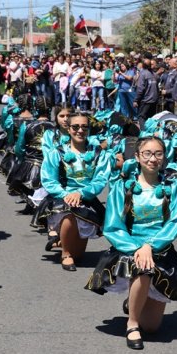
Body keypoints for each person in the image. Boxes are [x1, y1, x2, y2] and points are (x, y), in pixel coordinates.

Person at [86, 136, 177, 350]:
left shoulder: (176, 187)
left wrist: (150, 246)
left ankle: (135, 301)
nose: (152, 159)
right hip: (130, 249)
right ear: (137, 156)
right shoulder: (122, 187)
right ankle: (132, 323)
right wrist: (138, 247)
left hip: (160, 249)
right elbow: (113, 226)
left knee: (153, 328)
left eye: (158, 154)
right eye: (147, 153)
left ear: (164, 157)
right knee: (142, 267)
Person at [38, 113, 112, 271]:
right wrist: (66, 194)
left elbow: (100, 180)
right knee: (70, 212)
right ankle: (65, 253)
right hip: (62, 198)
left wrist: (82, 194)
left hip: (87, 198)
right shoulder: (56, 152)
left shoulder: (99, 154)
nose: (80, 130)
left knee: (78, 256)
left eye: (84, 127)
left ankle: (63, 242)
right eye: (75, 127)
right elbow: (48, 180)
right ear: (68, 129)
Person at [133, 58, 159, 127]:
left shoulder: (143, 74)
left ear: (142, 65)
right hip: (154, 100)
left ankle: (144, 133)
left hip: (146, 101)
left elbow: (140, 89)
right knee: (151, 118)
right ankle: (151, 132)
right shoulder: (155, 74)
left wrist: (136, 100)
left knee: (141, 117)